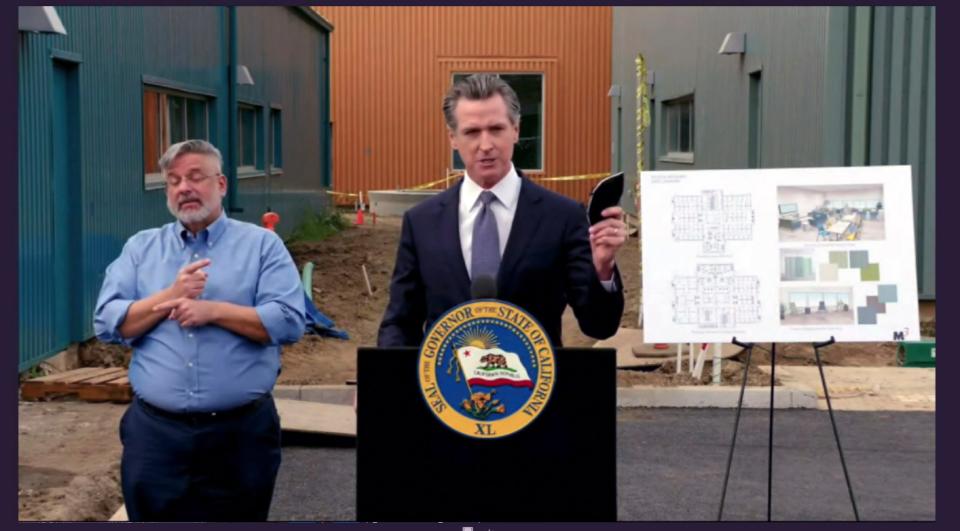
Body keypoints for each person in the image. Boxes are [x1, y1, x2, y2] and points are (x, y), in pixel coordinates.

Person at [93, 139, 305, 521]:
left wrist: (215, 311)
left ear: (221, 184)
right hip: (156, 437)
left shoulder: (261, 246)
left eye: (195, 177)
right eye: (173, 181)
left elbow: (289, 321)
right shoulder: (141, 249)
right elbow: (108, 322)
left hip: (240, 437)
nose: (183, 188)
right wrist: (170, 295)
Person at [378, 74, 626, 347]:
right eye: (472, 132)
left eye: (496, 129)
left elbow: (599, 325)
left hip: (533, 385)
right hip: (447, 384)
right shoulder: (421, 222)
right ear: (453, 138)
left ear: (516, 130)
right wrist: (384, 383)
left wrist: (602, 268)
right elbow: (401, 323)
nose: (486, 145)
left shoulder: (563, 217)